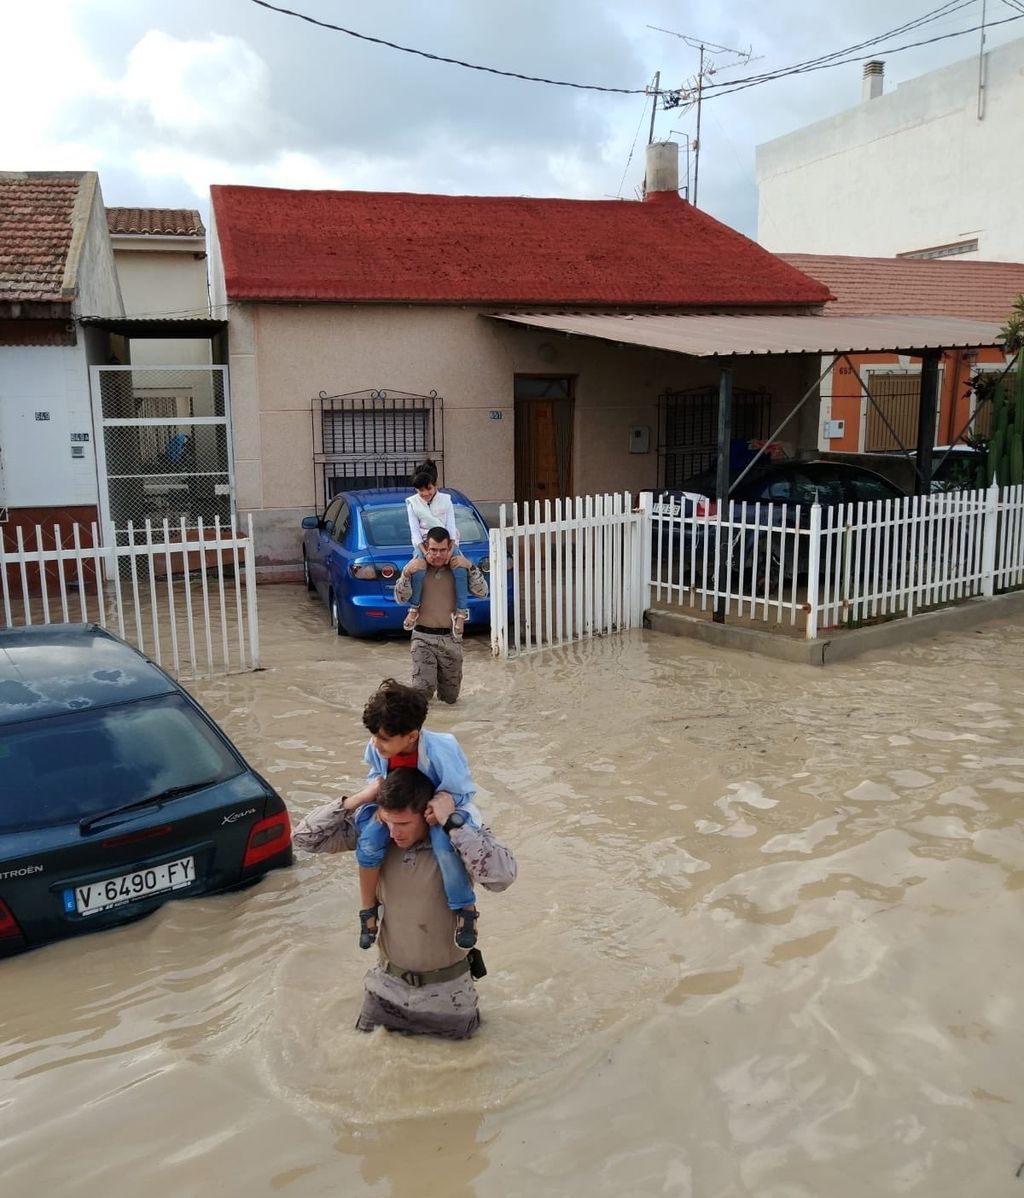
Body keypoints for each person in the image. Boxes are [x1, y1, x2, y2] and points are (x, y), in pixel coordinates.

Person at [293, 765, 517, 1039]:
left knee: (462, 1065)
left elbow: (502, 878)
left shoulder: (459, 839)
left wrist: (451, 823)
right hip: (385, 991)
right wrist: (359, 798)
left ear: (426, 815)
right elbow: (304, 839)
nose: (394, 832)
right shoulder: (377, 838)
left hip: (448, 997)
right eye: (389, 822)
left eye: (403, 824)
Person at [341, 678, 482, 952]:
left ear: (412, 736)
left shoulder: (443, 749)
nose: (376, 743)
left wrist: (439, 809)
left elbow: (461, 790)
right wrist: (381, 802)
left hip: (437, 807)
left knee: (444, 845)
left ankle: (465, 907)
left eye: (384, 739)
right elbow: (376, 774)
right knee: (368, 842)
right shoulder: (376, 747)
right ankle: (368, 908)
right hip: (397, 806)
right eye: (374, 735)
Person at [395, 526, 488, 704]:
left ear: (450, 547)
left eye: (443, 550)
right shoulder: (417, 568)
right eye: (433, 550)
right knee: (422, 691)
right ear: (426, 548)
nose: (438, 555)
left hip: (451, 640)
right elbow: (400, 598)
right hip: (422, 638)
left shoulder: (459, 568)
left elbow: (482, 592)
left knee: (450, 699)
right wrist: (406, 573)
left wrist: (470, 566)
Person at [402, 461, 470, 639]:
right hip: (425, 545)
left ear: (435, 485)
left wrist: (450, 551)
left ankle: (461, 613)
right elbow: (415, 533)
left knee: (460, 569)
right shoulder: (412, 503)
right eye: (420, 491)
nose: (425, 494)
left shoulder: (446, 500)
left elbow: (451, 527)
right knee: (417, 570)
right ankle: (414, 608)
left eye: (429, 489)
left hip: (447, 543)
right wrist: (426, 553)